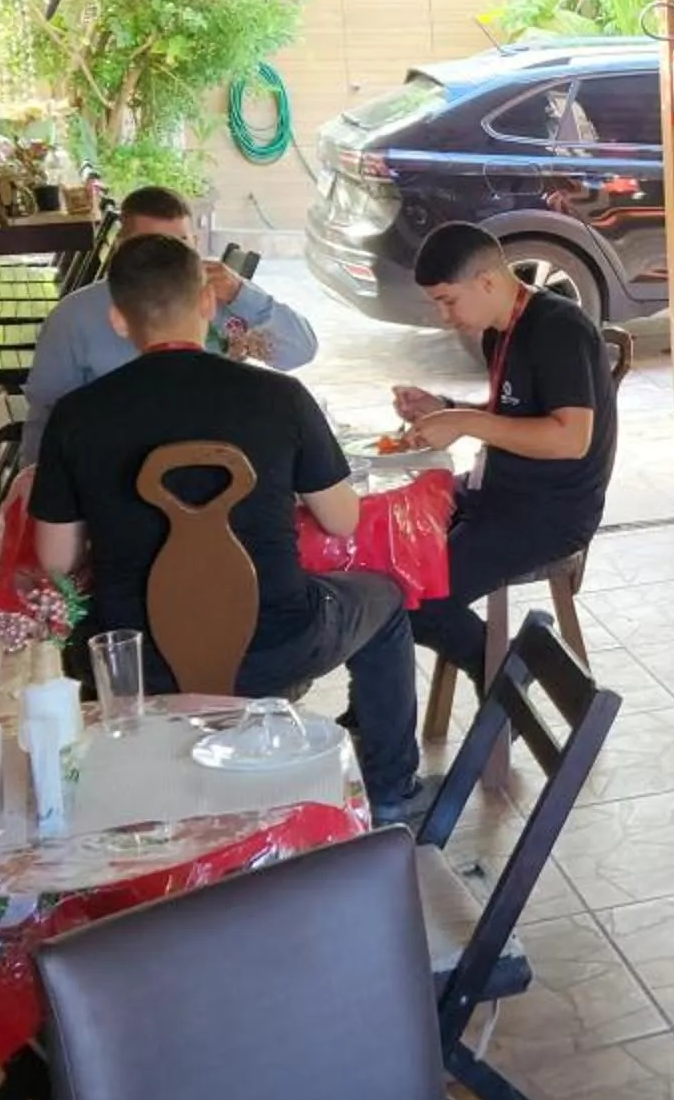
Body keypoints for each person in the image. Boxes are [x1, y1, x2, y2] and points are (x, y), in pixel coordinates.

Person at [28, 234, 424, 819]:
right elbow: (340, 518)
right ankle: (391, 795)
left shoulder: (77, 416)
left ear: (117, 319)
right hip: (277, 644)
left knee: (96, 632)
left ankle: (136, 798)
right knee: (386, 603)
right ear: (208, 305)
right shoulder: (280, 396)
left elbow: (55, 559)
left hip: (135, 665)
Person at [391, 223, 621, 679]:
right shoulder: (501, 330)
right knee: (392, 545)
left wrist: (465, 422)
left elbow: (569, 438)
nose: (444, 316)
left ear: (488, 282)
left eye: (448, 300)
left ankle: (506, 681)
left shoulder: (560, 328)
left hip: (550, 511)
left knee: (419, 597)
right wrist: (447, 408)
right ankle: (374, 710)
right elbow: (514, 415)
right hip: (498, 489)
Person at [19, 186, 319, 467]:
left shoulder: (220, 294)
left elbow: (299, 352)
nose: (167, 260)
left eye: (180, 245)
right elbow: (47, 414)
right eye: (149, 247)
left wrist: (243, 294)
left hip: (223, 463)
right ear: (121, 248)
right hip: (115, 470)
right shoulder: (75, 317)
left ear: (196, 244)